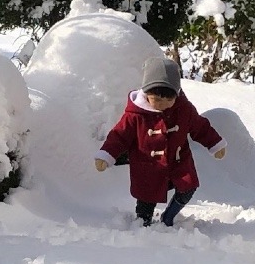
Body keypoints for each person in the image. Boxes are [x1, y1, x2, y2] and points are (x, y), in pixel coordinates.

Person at [94, 57, 227, 226]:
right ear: (146, 93)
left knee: (188, 187)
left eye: (169, 100)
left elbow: (200, 127)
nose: (163, 105)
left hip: (178, 162)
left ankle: (168, 217)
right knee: (146, 200)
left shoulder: (184, 109)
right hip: (147, 166)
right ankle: (143, 224)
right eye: (157, 99)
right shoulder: (135, 114)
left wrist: (214, 144)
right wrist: (106, 155)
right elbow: (119, 135)